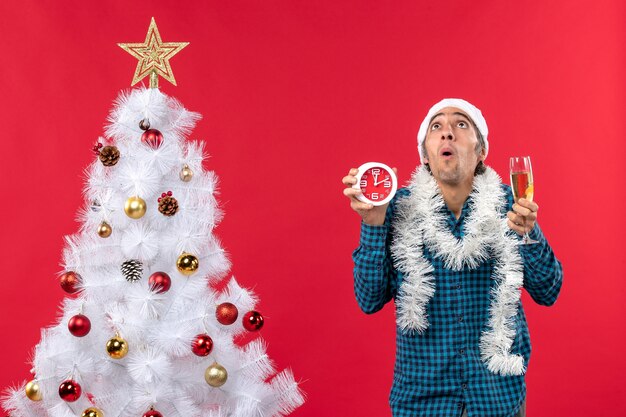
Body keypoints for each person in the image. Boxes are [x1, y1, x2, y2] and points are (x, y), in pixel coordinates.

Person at [342, 98, 562, 417]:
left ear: (481, 151)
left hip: (496, 398)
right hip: (422, 401)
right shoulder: (397, 209)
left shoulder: (509, 206)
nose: (447, 133)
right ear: (425, 156)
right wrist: (373, 222)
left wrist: (529, 233)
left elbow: (548, 291)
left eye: (461, 124)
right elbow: (369, 299)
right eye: (436, 127)